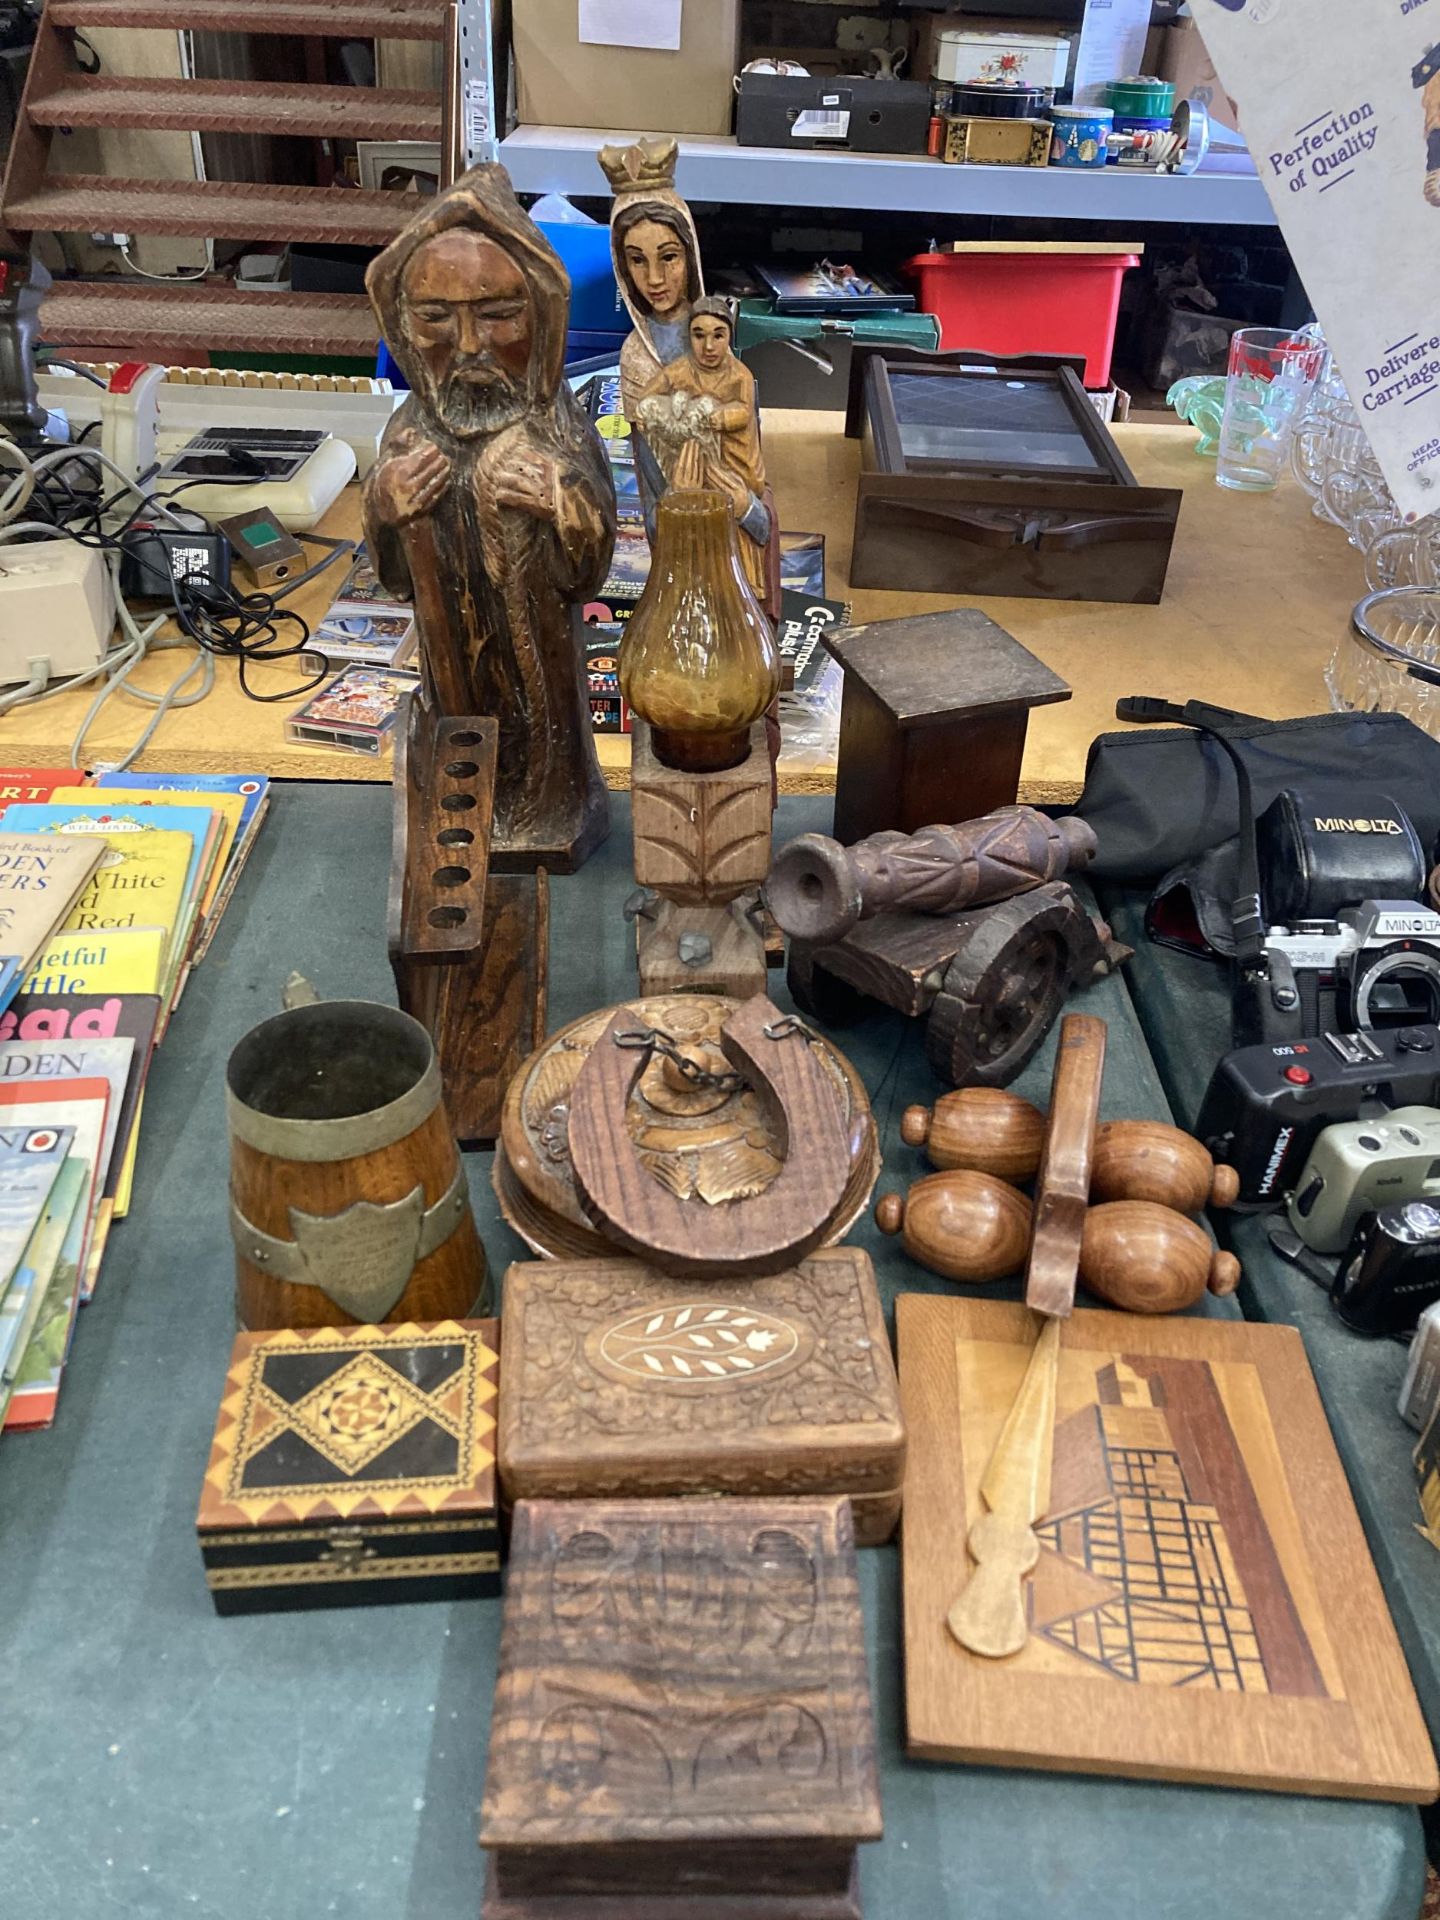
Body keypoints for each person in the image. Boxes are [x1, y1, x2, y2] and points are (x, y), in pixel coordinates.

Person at [363, 165, 615, 870]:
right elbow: (391, 577)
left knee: (547, 756)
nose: (469, 345)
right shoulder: (410, 433)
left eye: (498, 314)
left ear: (541, 313)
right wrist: (386, 506)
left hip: (544, 683)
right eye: (436, 318)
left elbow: (589, 573)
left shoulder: (557, 429)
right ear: (402, 325)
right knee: (455, 753)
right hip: (452, 681)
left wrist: (562, 502)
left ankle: (557, 807)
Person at [634, 298, 777, 611]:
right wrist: (647, 410)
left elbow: (743, 410)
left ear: (730, 337)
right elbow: (651, 391)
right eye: (699, 335)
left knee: (731, 516)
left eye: (718, 335)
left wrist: (720, 417)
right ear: (690, 337)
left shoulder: (739, 374)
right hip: (691, 463)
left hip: (736, 466)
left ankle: (741, 593)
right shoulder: (682, 370)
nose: (708, 346)